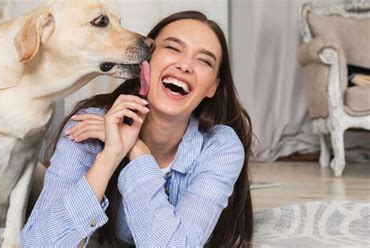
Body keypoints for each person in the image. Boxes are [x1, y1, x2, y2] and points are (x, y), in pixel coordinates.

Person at [21, 10, 253, 247]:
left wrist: (138, 152)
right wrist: (110, 155)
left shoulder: (221, 146)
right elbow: (41, 243)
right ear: (145, 62)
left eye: (204, 60)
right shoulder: (89, 126)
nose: (185, 65)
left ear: (212, 87)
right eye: (173, 48)